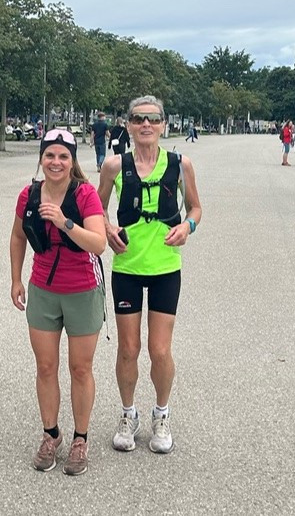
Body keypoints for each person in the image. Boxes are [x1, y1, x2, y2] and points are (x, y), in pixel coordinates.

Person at [96, 95, 202, 455]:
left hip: (165, 268)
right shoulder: (114, 166)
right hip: (127, 266)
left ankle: (161, 413)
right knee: (128, 348)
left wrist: (187, 226)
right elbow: (97, 209)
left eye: (153, 120)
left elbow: (197, 208)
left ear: (163, 125)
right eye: (139, 119)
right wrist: (108, 229)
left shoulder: (180, 163)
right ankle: (128, 414)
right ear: (128, 124)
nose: (146, 125)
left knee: (159, 349)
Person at [10, 128, 107, 476]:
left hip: (81, 289)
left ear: (72, 161)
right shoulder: (29, 194)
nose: (55, 162)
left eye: (63, 156)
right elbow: (18, 235)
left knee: (80, 369)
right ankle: (51, 433)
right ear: (41, 158)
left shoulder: (85, 195)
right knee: (46, 367)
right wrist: (15, 279)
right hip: (43, 289)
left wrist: (65, 222)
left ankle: (81, 438)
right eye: (49, 155)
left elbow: (98, 243)